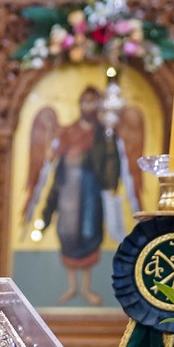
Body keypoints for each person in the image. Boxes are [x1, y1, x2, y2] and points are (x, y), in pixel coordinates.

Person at [25, 85, 139, 305]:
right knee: (67, 234)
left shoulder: (105, 134)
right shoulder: (69, 131)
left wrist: (110, 181)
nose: (89, 106)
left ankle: (86, 288)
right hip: (68, 190)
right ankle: (71, 287)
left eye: (93, 102)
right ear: (80, 105)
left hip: (90, 191)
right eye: (86, 102)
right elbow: (57, 165)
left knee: (89, 233)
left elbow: (111, 163)